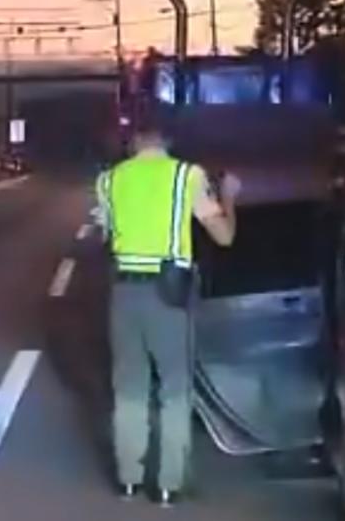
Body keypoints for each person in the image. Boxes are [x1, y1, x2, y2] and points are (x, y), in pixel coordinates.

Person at [94, 115, 240, 507]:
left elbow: (106, 236)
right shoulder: (187, 176)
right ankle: (167, 486)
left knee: (129, 389)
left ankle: (128, 479)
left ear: (133, 140)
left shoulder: (109, 180)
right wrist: (228, 196)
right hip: (168, 296)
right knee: (175, 391)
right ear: (168, 140)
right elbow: (224, 236)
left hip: (123, 293)